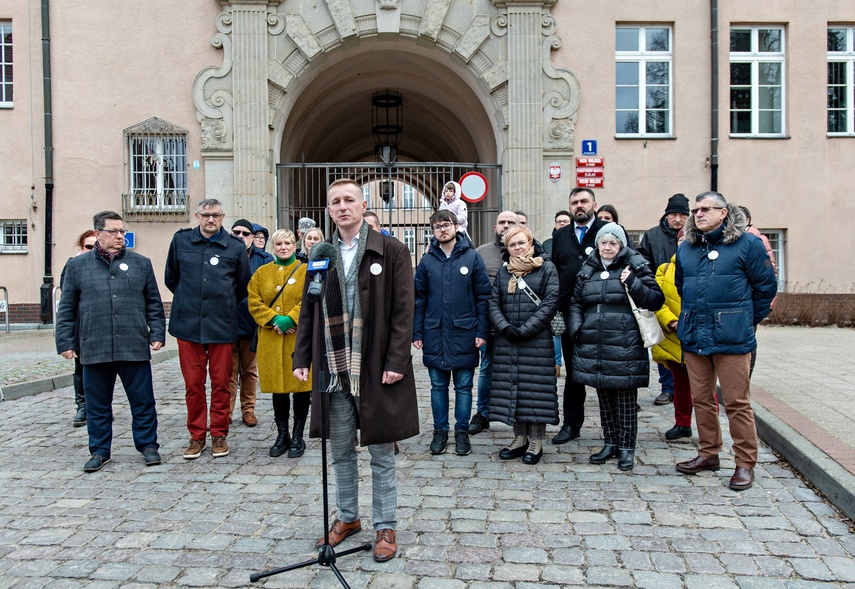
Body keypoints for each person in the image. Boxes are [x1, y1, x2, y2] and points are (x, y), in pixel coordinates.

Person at [293, 178, 418, 563]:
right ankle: (348, 517)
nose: (343, 206)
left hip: (376, 366)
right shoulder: (321, 253)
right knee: (341, 448)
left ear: (363, 207)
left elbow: (404, 311)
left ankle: (385, 524)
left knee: (381, 449)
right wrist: (302, 358)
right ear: (329, 209)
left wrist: (397, 360)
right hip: (334, 367)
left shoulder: (392, 250)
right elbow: (309, 308)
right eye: (335, 202)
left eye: (349, 200)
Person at [675, 192, 777, 491]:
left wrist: (743, 321)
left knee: (736, 402)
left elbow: (765, 288)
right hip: (695, 336)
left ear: (724, 213)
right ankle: (709, 453)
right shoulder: (687, 248)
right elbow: (683, 287)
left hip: (732, 337)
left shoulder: (748, 244)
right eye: (696, 210)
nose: (698, 214)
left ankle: (745, 463)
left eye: (706, 209)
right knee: (703, 400)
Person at [55, 211, 165, 472]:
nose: (120, 236)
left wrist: (157, 333)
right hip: (94, 345)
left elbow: (153, 303)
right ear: (97, 234)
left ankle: (148, 445)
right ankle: (100, 449)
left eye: (122, 231)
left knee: (143, 401)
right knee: (97, 404)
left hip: (133, 344)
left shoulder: (141, 263)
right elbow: (67, 308)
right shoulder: (77, 266)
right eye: (114, 231)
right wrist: (65, 342)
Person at [570, 223, 664, 471]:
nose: (608, 247)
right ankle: (610, 442)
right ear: (598, 244)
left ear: (621, 245)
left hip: (625, 343)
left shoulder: (635, 265)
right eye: (604, 242)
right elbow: (576, 302)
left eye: (613, 243)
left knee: (624, 398)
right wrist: (577, 327)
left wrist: (633, 282)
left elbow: (655, 299)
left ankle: (626, 447)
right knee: (604, 396)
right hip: (595, 342)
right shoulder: (588, 268)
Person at [165, 198, 250, 460]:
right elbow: (172, 278)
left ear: (223, 216)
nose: (210, 219)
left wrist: (219, 302)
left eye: (215, 215)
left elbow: (242, 284)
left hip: (221, 325)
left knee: (221, 383)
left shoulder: (234, 247)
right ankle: (196, 435)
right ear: (197, 215)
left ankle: (219, 434)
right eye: (205, 215)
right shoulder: (181, 242)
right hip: (188, 324)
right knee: (193, 384)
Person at [413, 210, 491, 456]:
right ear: (433, 231)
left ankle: (461, 431)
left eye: (446, 225)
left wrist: (482, 330)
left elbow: (483, 297)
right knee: (438, 386)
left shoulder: (472, 258)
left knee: (464, 386)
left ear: (456, 227)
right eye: (437, 226)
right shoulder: (427, 261)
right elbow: (419, 299)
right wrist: (417, 333)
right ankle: (440, 431)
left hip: (464, 331)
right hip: (434, 331)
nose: (442, 229)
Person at [488, 226, 559, 465]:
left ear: (530, 242)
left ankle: (536, 441)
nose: (517, 248)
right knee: (514, 389)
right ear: (507, 249)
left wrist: (526, 329)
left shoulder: (546, 268)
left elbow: (550, 303)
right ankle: (519, 438)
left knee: (535, 390)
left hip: (536, 341)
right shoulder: (504, 272)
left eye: (521, 243)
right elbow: (493, 302)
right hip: (508, 340)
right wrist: (504, 327)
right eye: (512, 245)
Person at [550, 187, 608, 444]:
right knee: (573, 373)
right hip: (568, 314)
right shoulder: (560, 236)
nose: (579, 206)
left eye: (584, 201)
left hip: (601, 313)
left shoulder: (606, 233)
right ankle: (572, 424)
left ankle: (612, 428)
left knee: (606, 372)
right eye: (574, 202)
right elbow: (553, 274)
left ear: (594, 204)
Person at [248, 229, 311, 458]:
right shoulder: (262, 273)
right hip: (271, 338)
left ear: (294, 245)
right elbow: (253, 301)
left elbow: (310, 297)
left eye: (287, 243)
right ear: (272, 247)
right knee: (279, 389)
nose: (283, 247)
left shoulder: (305, 271)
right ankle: (282, 434)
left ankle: (298, 435)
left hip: (298, 338)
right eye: (278, 244)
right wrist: (274, 319)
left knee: (301, 387)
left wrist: (292, 318)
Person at [638, 193, 690, 406]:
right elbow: (642, 262)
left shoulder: (693, 236)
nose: (677, 219)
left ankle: (687, 390)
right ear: (666, 215)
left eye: (682, 215)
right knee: (663, 344)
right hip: (660, 296)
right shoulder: (653, 235)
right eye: (673, 215)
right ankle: (668, 388)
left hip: (686, 298)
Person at [469, 210, 518, 436]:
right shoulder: (481, 253)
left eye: (510, 222)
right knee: (488, 368)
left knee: (519, 370)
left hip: (519, 324)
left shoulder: (528, 250)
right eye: (501, 222)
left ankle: (519, 413)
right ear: (495, 227)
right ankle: (483, 413)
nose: (505, 226)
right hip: (490, 324)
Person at [229, 219, 274, 427]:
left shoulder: (264, 259)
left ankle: (248, 410)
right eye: (236, 232)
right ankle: (225, 412)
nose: (240, 237)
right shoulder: (224, 255)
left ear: (252, 237)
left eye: (245, 233)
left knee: (249, 371)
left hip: (251, 324)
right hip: (226, 324)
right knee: (227, 373)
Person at [652, 228, 694, 441]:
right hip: (674, 333)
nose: (685, 241)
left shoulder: (703, 265)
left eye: (689, 237)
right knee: (680, 383)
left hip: (698, 333)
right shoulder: (665, 269)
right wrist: (672, 321)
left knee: (704, 386)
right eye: (681, 238)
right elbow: (657, 301)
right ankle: (682, 423)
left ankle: (709, 430)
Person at [61, 229, 97, 428]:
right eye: (88, 246)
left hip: (98, 326)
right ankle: (82, 405)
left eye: (95, 246)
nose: (92, 250)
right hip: (81, 325)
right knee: (80, 367)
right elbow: (68, 299)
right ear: (81, 247)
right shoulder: (73, 265)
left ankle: (99, 406)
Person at [542, 210, 571, 378]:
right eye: (559, 221)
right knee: (556, 329)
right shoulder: (548, 244)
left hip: (571, 293)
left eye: (565, 221)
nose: (562, 223)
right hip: (553, 293)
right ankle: (556, 363)